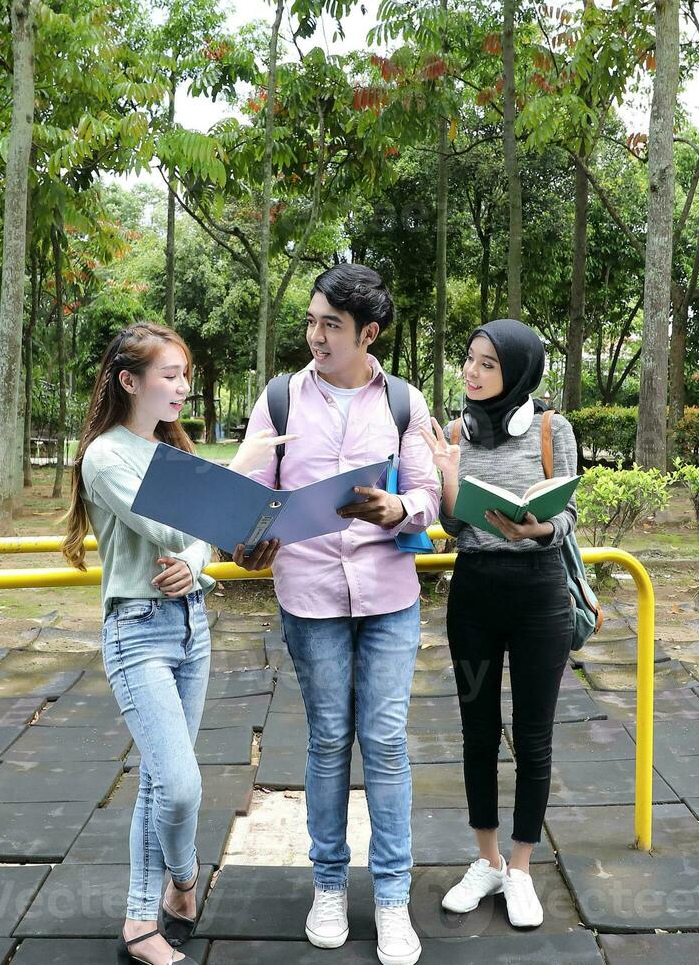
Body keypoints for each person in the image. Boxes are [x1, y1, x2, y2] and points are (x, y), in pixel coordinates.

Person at [63, 322, 286, 964]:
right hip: (138, 633)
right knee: (180, 784)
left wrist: (197, 564)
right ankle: (183, 879)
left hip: (191, 628)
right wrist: (239, 473)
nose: (184, 389)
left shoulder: (172, 455)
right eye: (171, 376)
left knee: (164, 781)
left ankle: (144, 922)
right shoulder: (105, 456)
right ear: (130, 382)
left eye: (185, 376)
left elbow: (194, 544)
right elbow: (168, 527)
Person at [237, 264, 440, 965]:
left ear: (369, 334)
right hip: (311, 592)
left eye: (332, 325)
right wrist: (250, 535)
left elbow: (426, 493)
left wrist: (401, 509)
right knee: (327, 739)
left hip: (388, 593)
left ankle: (390, 898)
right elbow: (249, 488)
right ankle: (328, 884)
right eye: (311, 321)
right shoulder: (280, 400)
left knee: (383, 742)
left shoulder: (404, 402)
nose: (316, 336)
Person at [419, 319, 578, 930]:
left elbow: (567, 517)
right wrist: (448, 468)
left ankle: (521, 868)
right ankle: (485, 861)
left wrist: (541, 528)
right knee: (478, 731)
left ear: (516, 372)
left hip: (540, 596)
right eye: (469, 360)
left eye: (487, 364)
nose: (472, 372)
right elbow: (458, 529)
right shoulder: (455, 431)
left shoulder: (549, 429)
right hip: (476, 593)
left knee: (534, 736)